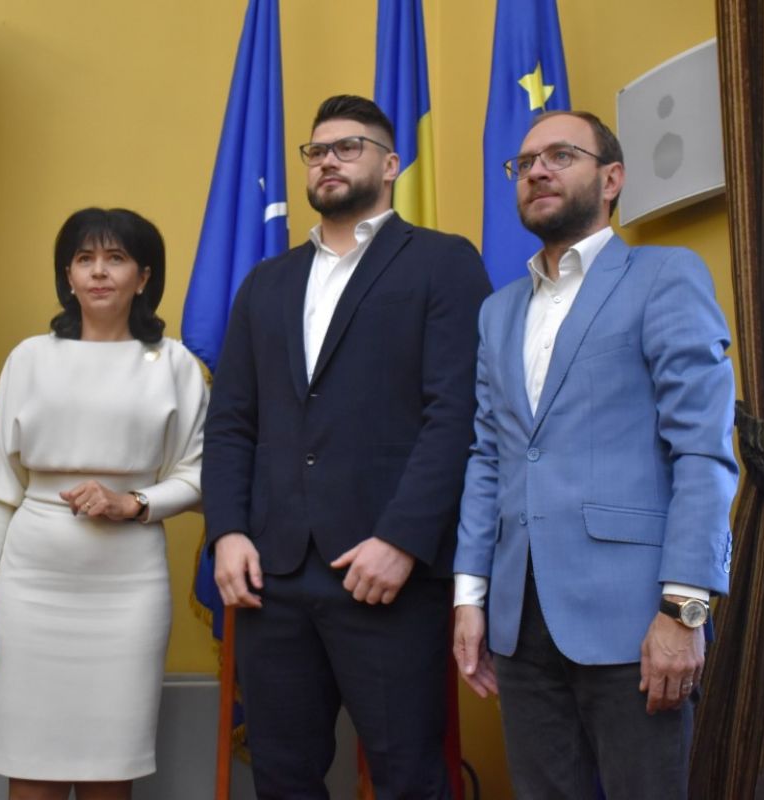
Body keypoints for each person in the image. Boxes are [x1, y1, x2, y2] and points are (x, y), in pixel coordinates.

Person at [202, 95, 492, 799]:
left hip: (386, 574)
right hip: (273, 574)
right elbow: (232, 422)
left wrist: (402, 540)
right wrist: (228, 532)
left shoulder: (444, 263)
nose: (328, 160)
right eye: (317, 150)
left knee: (409, 778)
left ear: (391, 165)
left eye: (348, 147)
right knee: (281, 777)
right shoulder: (265, 283)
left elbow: (456, 416)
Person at [452, 111, 738, 799]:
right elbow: (488, 457)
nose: (537, 172)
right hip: (520, 624)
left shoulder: (664, 275)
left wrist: (684, 610)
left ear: (612, 180)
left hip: (636, 620)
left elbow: (702, 450)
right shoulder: (498, 311)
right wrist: (470, 596)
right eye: (525, 164)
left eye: (560, 156)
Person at [0, 207, 207, 800]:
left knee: (110, 770)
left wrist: (133, 502)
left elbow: (199, 476)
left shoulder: (175, 364)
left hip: (128, 593)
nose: (98, 272)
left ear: (144, 277)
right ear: (67, 275)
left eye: (115, 259)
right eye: (84, 259)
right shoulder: (29, 357)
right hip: (31, 589)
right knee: (30, 767)